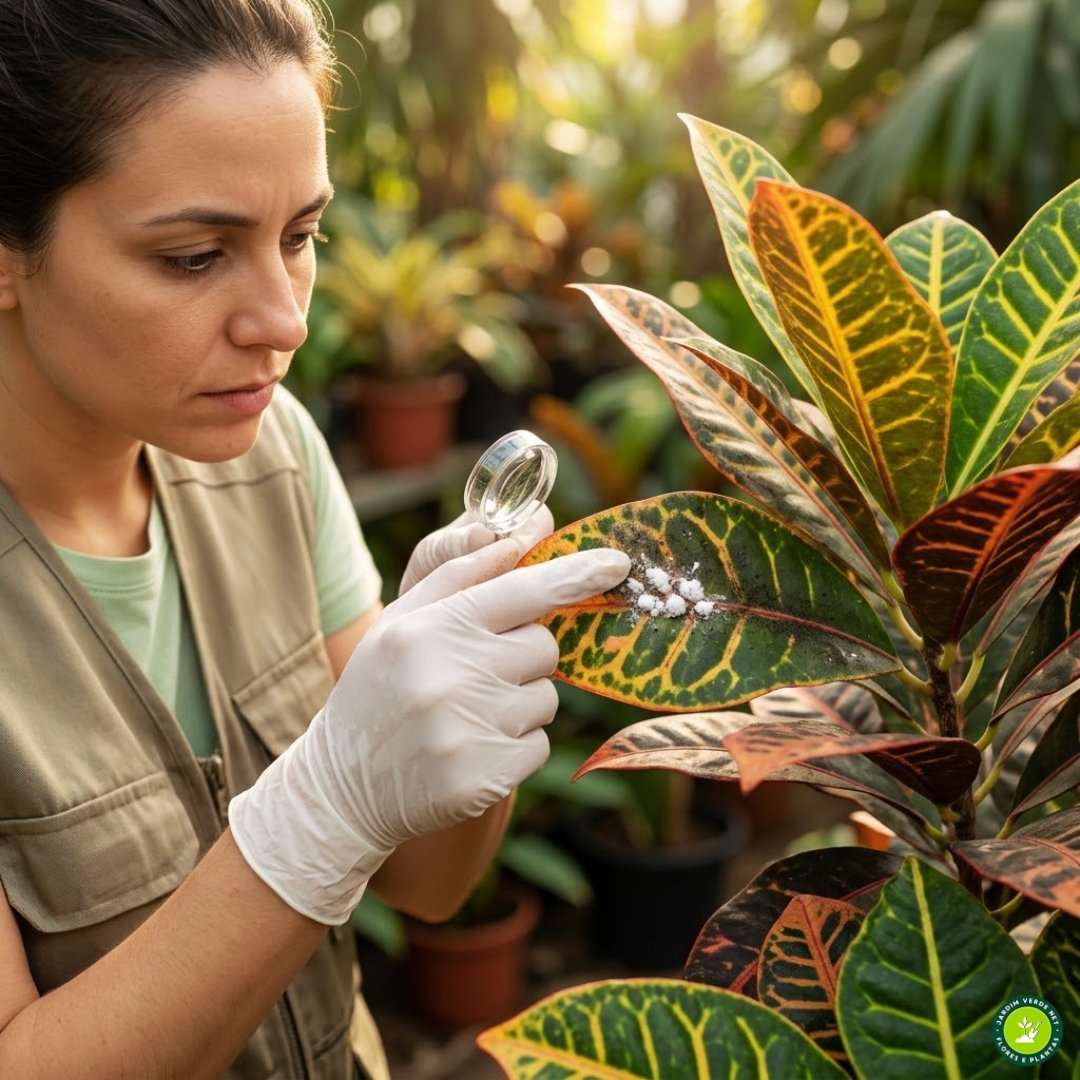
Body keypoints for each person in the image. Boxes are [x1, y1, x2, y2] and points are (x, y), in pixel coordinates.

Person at [0, 1, 630, 1076]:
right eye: (196, 257)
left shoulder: (271, 451)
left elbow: (428, 885)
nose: (285, 319)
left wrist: (476, 679)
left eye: (299, 238)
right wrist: (321, 811)